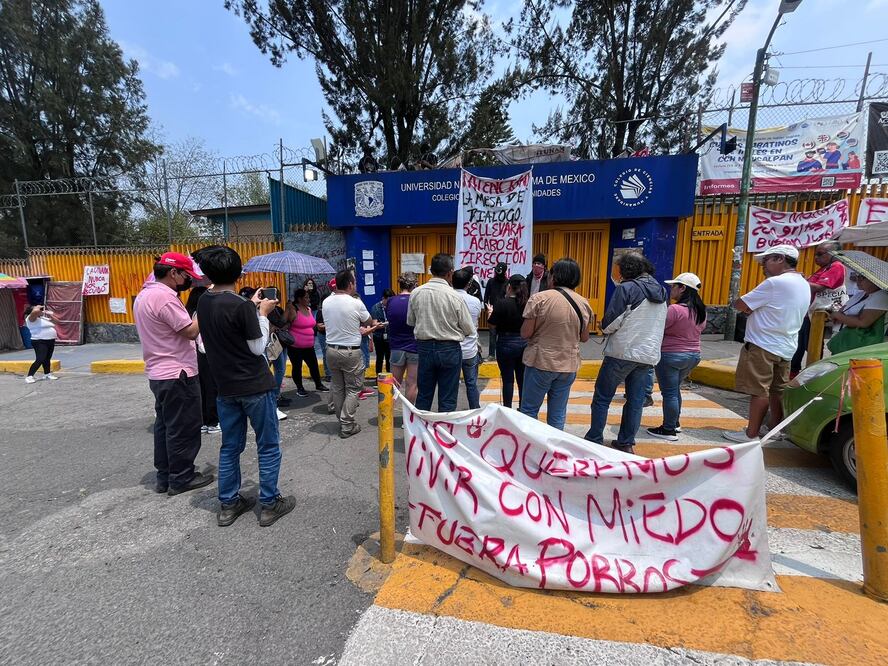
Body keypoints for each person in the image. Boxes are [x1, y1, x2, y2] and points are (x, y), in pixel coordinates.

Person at [195, 246, 295, 528]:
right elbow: (257, 348)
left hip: (225, 388)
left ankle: (228, 503)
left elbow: (228, 322)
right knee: (268, 445)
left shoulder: (204, 301)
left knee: (230, 447)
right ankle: (269, 503)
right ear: (239, 272)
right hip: (255, 386)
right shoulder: (241, 307)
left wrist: (251, 307)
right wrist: (262, 313)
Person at [133, 252, 212, 496]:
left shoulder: (145, 294)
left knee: (165, 426)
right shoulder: (164, 297)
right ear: (173, 273)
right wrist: (203, 305)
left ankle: (165, 475)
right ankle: (181, 477)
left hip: (160, 373)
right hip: (178, 372)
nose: (190, 281)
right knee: (184, 427)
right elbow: (189, 331)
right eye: (187, 275)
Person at [723, 245, 811, 443]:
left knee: (758, 390)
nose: (763, 265)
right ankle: (773, 429)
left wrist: (751, 310)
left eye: (767, 260)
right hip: (787, 345)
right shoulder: (803, 283)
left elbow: (740, 304)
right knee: (777, 390)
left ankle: (751, 433)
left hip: (763, 344)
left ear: (780, 258)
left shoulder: (774, 283)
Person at [584, 252, 667, 454]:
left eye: (618, 269)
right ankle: (626, 442)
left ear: (626, 269)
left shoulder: (627, 289)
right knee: (635, 401)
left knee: (602, 397)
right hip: (648, 355)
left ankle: (594, 437)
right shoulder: (661, 291)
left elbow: (611, 323)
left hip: (622, 352)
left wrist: (603, 326)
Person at [518, 258, 593, 430]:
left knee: (529, 410)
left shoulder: (539, 299)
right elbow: (584, 337)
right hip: (568, 365)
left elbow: (525, 333)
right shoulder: (583, 303)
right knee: (558, 414)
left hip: (540, 362)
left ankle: (530, 452)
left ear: (554, 277)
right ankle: (554, 452)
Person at [407, 253, 475, 412]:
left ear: (431, 270)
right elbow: (469, 329)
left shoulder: (416, 293)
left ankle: (421, 434)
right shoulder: (455, 296)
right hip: (449, 349)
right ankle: (443, 435)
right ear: (450, 273)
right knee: (448, 399)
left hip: (424, 348)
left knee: (424, 396)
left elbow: (411, 321)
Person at [646, 272, 707, 441]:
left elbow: (658, 328)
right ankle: (675, 422)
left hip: (671, 356)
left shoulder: (674, 310)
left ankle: (668, 429)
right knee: (674, 389)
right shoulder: (700, 311)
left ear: (682, 288)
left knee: (670, 393)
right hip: (693, 355)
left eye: (674, 286)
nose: (671, 289)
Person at [322, 269, 373, 438]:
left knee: (337, 387)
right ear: (350, 284)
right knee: (353, 388)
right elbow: (368, 321)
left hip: (331, 350)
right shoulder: (355, 303)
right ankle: (346, 424)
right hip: (350, 352)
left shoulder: (326, 302)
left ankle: (341, 420)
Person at [790, 241, 846, 377]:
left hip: (819, 313)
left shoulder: (837, 266)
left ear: (833, 254)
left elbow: (820, 287)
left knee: (811, 345)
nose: (816, 257)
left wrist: (799, 281)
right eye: (816, 254)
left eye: (820, 254)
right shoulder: (825, 268)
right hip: (810, 311)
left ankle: (813, 373)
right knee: (799, 344)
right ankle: (795, 371)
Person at [240, 286, 289, 421]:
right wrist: (263, 315)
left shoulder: (270, 309)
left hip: (275, 344)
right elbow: (258, 347)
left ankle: (273, 403)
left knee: (277, 371)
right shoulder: (252, 311)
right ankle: (273, 404)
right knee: (269, 375)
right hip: (263, 348)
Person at [487, 274, 529, 409]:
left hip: (505, 343)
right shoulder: (528, 304)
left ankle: (507, 408)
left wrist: (490, 313)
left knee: (507, 379)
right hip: (523, 343)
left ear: (509, 287)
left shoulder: (501, 303)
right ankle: (523, 408)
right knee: (522, 379)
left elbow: (492, 325)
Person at [184, 287, 220, 434]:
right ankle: (212, 422)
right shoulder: (200, 314)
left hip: (194, 356)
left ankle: (204, 421)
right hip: (205, 354)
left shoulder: (188, 314)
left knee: (203, 389)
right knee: (211, 388)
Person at [827, 273, 888, 354]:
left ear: (875, 279)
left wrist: (838, 316)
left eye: (863, 277)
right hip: (843, 339)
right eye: (858, 276)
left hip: (860, 344)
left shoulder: (882, 296)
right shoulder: (860, 294)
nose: (858, 280)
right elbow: (842, 311)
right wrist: (841, 316)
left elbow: (862, 322)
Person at [285, 288, 329, 397]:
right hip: (295, 346)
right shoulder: (293, 308)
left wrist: (317, 326)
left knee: (313, 365)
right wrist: (289, 308)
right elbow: (287, 321)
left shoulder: (308, 309)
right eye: (306, 297)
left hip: (309, 346)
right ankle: (300, 387)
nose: (308, 299)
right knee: (297, 366)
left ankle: (318, 384)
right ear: (299, 299)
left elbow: (310, 324)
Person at [453, 268, 483, 409]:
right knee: (471, 383)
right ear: (468, 284)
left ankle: (449, 412)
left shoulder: (448, 298)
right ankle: (475, 411)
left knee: (450, 384)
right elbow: (474, 322)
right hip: (470, 349)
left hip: (452, 348)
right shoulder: (475, 302)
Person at [388, 272, 419, 404]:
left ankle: (387, 416)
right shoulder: (416, 300)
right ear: (415, 285)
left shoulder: (391, 301)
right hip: (414, 346)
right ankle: (408, 419)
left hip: (396, 347)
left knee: (393, 384)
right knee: (412, 384)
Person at [24, 304, 60, 383]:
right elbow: (36, 311)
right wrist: (38, 307)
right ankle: (29, 376)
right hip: (39, 341)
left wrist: (50, 315)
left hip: (50, 340)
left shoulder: (43, 318)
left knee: (47, 358)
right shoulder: (31, 318)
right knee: (40, 358)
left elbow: (57, 321)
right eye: (39, 310)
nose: (41, 310)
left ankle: (47, 374)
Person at [483, 262, 509, 360]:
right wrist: (487, 309)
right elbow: (486, 296)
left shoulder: (507, 282)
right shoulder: (491, 281)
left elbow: (509, 296)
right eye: (496, 270)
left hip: (503, 312)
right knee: (492, 334)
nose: (497, 272)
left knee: (503, 335)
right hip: (492, 311)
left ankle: (502, 355)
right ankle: (491, 355)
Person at [370, 289, 394, 376]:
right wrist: (383, 324)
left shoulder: (393, 307)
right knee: (379, 358)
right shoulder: (376, 307)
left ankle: (389, 377)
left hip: (390, 336)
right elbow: (374, 323)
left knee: (389, 358)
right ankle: (378, 378)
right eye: (388, 301)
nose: (389, 303)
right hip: (379, 336)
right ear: (383, 298)